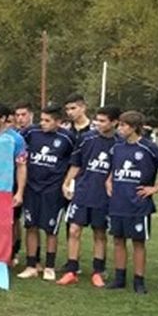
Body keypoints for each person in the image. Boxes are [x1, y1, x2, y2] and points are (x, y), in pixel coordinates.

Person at [104, 110, 158, 293]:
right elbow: (114, 167)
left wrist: (155, 188)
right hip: (118, 202)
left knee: (138, 242)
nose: (120, 129)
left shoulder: (149, 147)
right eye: (119, 125)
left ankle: (139, 281)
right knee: (118, 240)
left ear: (134, 128)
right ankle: (119, 278)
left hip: (138, 204)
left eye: (124, 125)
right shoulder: (117, 147)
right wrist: (109, 180)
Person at [57, 106, 120, 287]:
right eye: (97, 120)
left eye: (103, 121)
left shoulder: (119, 143)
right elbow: (76, 164)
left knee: (99, 232)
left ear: (114, 122)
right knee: (74, 230)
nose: (98, 124)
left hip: (103, 195)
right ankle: (71, 270)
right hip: (83, 192)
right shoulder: (86, 139)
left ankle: (98, 271)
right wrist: (66, 182)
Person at [18, 105, 74, 281]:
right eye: (41, 119)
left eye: (47, 121)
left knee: (51, 229)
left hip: (53, 190)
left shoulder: (68, 138)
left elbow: (75, 162)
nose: (43, 123)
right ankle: (31, 265)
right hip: (32, 187)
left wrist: (67, 184)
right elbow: (19, 149)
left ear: (58, 122)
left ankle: (49, 267)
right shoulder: (31, 132)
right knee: (31, 226)